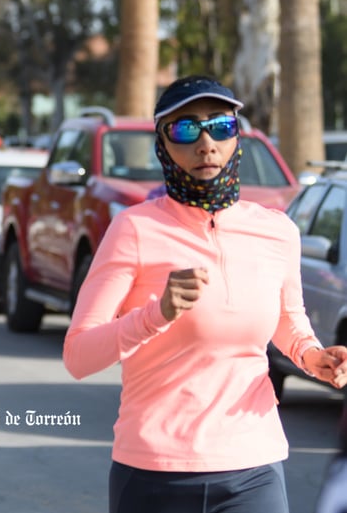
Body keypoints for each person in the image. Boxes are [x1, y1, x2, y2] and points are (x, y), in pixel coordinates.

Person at [62, 75, 347, 513]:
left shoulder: (276, 231)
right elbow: (78, 355)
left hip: (254, 465)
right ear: (162, 143)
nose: (206, 142)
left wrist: (315, 358)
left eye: (221, 125)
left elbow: (289, 320)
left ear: (237, 137)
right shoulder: (134, 229)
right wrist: (157, 314)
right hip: (154, 471)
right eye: (186, 129)